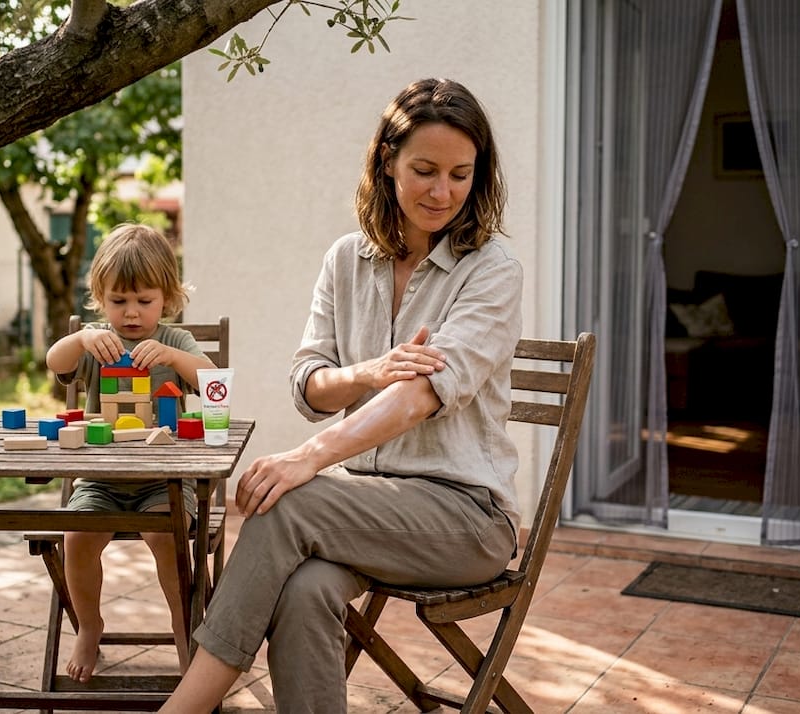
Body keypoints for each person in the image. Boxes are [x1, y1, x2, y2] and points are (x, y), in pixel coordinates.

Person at [159, 77, 523, 712]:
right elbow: (311, 387)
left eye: (461, 175)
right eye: (425, 171)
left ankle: (185, 707)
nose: (443, 193)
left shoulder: (491, 269)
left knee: (287, 502)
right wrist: (370, 372)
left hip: (466, 520)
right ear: (387, 162)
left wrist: (309, 457)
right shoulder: (346, 261)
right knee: (303, 591)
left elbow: (420, 397)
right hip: (370, 507)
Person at [44, 223, 217, 682]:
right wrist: (79, 340)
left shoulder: (174, 342)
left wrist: (176, 359)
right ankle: (89, 626)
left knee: (167, 536)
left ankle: (184, 628)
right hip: (101, 480)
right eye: (119, 302)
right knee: (76, 539)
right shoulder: (97, 342)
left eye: (145, 301)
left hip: (164, 482)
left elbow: (212, 382)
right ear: (100, 298)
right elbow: (54, 363)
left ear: (168, 297)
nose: (132, 313)